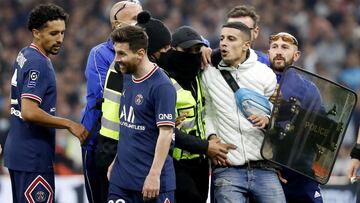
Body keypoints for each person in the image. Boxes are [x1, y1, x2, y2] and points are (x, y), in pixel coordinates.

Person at [136, 12, 237, 203]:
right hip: (175, 162)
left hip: (200, 163)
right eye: (187, 51)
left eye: (196, 51)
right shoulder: (162, 80)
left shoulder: (199, 72)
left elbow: (227, 52)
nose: (193, 55)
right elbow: (167, 130)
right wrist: (206, 147)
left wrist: (207, 48)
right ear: (172, 49)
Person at [3, 3, 88, 203]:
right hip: (33, 157)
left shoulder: (25, 53)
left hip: (19, 152)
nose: (60, 39)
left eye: (62, 33)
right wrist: (69, 124)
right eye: (53, 33)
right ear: (37, 33)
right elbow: (29, 112)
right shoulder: (38, 63)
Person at [202, 21, 285, 203]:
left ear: (246, 45)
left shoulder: (265, 74)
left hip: (264, 167)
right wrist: (211, 136)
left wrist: (268, 118)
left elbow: (279, 114)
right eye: (222, 38)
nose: (224, 43)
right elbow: (208, 112)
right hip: (228, 167)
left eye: (231, 39)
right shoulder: (208, 74)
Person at [80, 1, 142, 202]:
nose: (140, 24)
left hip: (133, 143)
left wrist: (202, 45)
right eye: (134, 19)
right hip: (98, 141)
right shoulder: (100, 54)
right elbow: (103, 97)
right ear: (116, 25)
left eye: (142, 18)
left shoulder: (146, 53)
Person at [107, 25, 176, 203]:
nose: (117, 59)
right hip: (121, 180)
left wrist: (154, 175)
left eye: (122, 54)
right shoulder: (127, 76)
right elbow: (128, 125)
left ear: (140, 53)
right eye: (116, 53)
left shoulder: (162, 86)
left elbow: (166, 133)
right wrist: (117, 159)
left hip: (151, 183)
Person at [268, 32, 324, 203]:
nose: (279, 51)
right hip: (265, 169)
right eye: (274, 47)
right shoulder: (256, 81)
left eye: (285, 47)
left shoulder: (309, 89)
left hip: (300, 169)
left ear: (296, 55)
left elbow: (320, 130)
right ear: (268, 52)